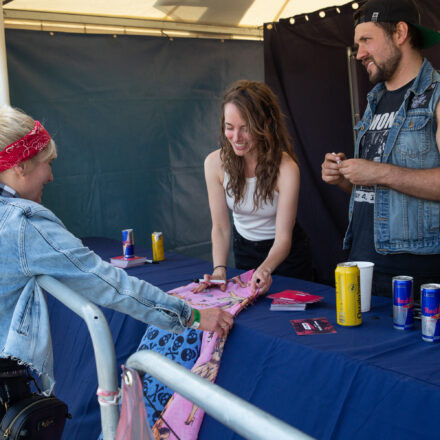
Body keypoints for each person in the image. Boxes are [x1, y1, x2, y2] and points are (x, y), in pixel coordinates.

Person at [0, 105, 233, 403]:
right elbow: (112, 285)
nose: (52, 176)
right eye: (48, 162)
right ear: (20, 166)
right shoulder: (25, 225)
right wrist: (192, 315)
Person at [321, 0, 440, 300]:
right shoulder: (374, 101)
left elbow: (385, 178)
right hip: (361, 264)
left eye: (366, 40)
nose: (359, 53)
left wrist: (380, 172)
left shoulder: (436, 95)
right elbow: (377, 194)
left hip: (414, 277)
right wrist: (343, 178)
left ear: (400, 33)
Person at [195, 80, 313, 296]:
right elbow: (220, 227)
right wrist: (219, 269)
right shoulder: (213, 163)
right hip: (245, 251)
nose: (236, 138)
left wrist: (266, 268)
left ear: (265, 124)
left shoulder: (286, 168)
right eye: (229, 128)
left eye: (246, 128)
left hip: (287, 256)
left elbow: (284, 238)